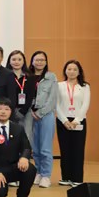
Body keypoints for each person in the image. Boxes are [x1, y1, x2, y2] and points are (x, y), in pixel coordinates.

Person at [0, 98, 36, 197]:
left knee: (30, 169)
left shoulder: (18, 128)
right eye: (0, 109)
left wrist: (24, 157)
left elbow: (26, 147)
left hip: (13, 166)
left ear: (11, 111)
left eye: (6, 109)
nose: (3, 112)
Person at [24, 51, 58, 189]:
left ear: (46, 62)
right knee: (34, 147)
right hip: (30, 114)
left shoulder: (51, 77)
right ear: (32, 61)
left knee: (45, 148)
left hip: (46, 115)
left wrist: (41, 112)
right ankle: (38, 171)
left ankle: (46, 175)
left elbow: (52, 99)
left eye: (42, 60)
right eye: (36, 60)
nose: (39, 62)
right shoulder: (27, 76)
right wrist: (31, 111)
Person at [56, 60, 91, 187]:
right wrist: (64, 120)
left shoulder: (85, 86)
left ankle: (77, 178)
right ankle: (66, 177)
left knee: (78, 150)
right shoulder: (59, 85)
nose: (71, 72)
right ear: (65, 71)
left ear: (79, 72)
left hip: (79, 121)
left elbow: (85, 104)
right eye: (69, 69)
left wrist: (76, 121)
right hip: (63, 120)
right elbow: (56, 104)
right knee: (65, 150)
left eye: (75, 69)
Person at [6, 50, 35, 126]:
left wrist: (23, 111)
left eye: (19, 59)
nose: (16, 62)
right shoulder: (5, 76)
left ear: (23, 61)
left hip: (26, 111)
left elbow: (31, 96)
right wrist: (11, 110)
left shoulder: (30, 76)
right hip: (9, 111)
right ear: (9, 61)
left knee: (27, 133)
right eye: (14, 59)